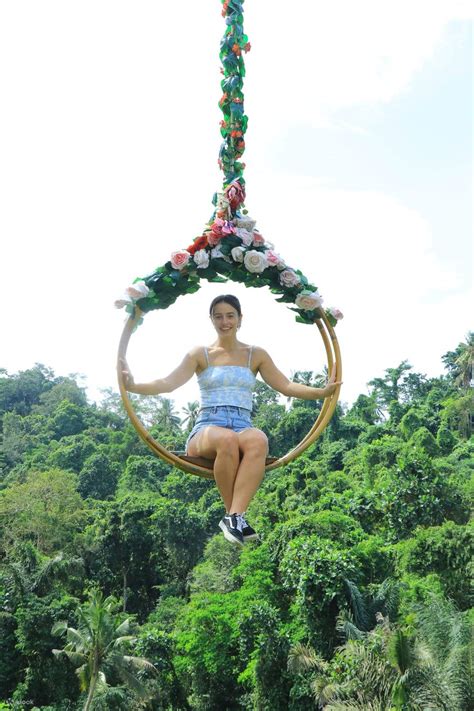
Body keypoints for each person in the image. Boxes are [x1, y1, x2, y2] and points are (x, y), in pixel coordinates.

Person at [121, 294, 341, 546]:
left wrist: (321, 392)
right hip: (207, 428)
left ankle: (234, 517)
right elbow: (168, 383)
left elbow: (287, 386)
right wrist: (133, 385)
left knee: (258, 440)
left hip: (242, 424)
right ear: (211, 320)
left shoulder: (255, 354)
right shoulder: (200, 354)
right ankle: (234, 517)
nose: (224, 321)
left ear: (239, 319)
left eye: (230, 315)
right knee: (226, 439)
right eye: (218, 316)